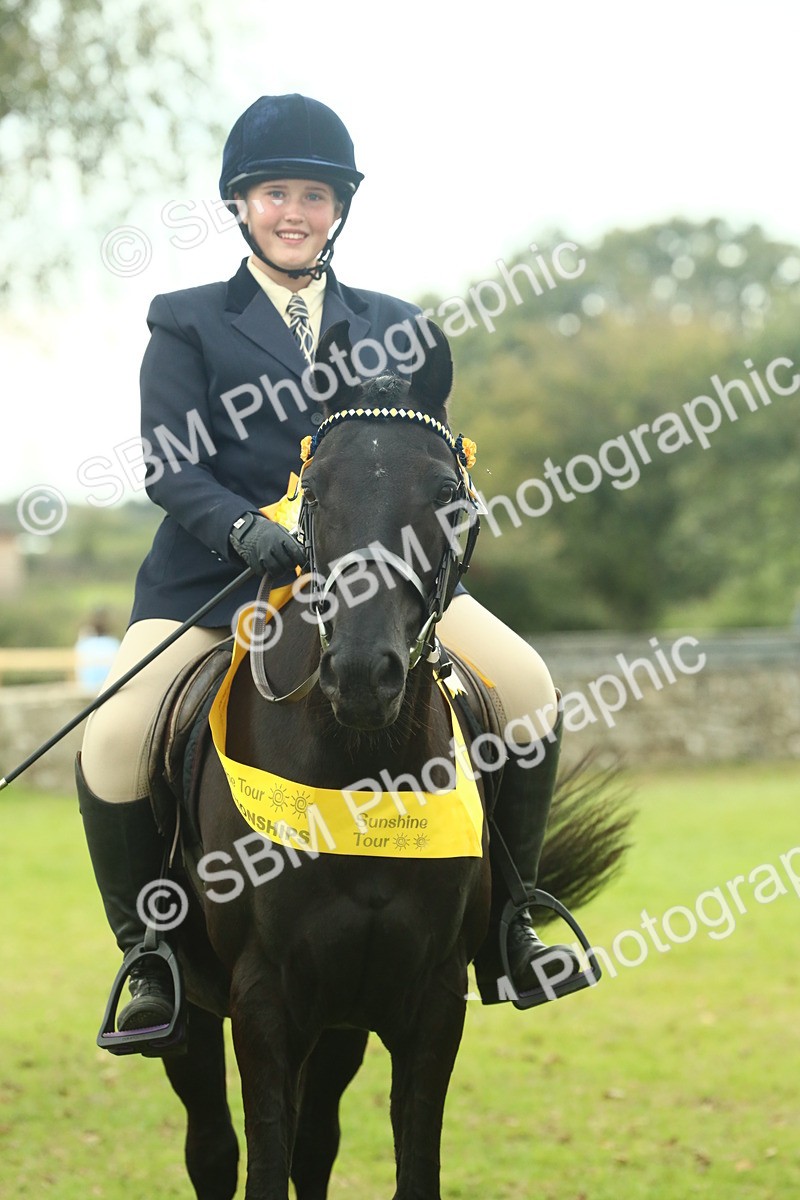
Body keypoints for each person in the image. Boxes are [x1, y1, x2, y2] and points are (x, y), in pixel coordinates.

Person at [76, 93, 582, 1041]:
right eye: (275, 193)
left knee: (528, 686)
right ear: (239, 206)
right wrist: (241, 531)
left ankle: (514, 921)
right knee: (115, 732)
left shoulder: (395, 325)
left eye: (314, 194)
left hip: (379, 586)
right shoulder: (185, 322)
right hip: (219, 586)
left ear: (340, 206)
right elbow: (169, 466)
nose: (295, 211)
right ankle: (154, 957)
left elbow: (426, 461)